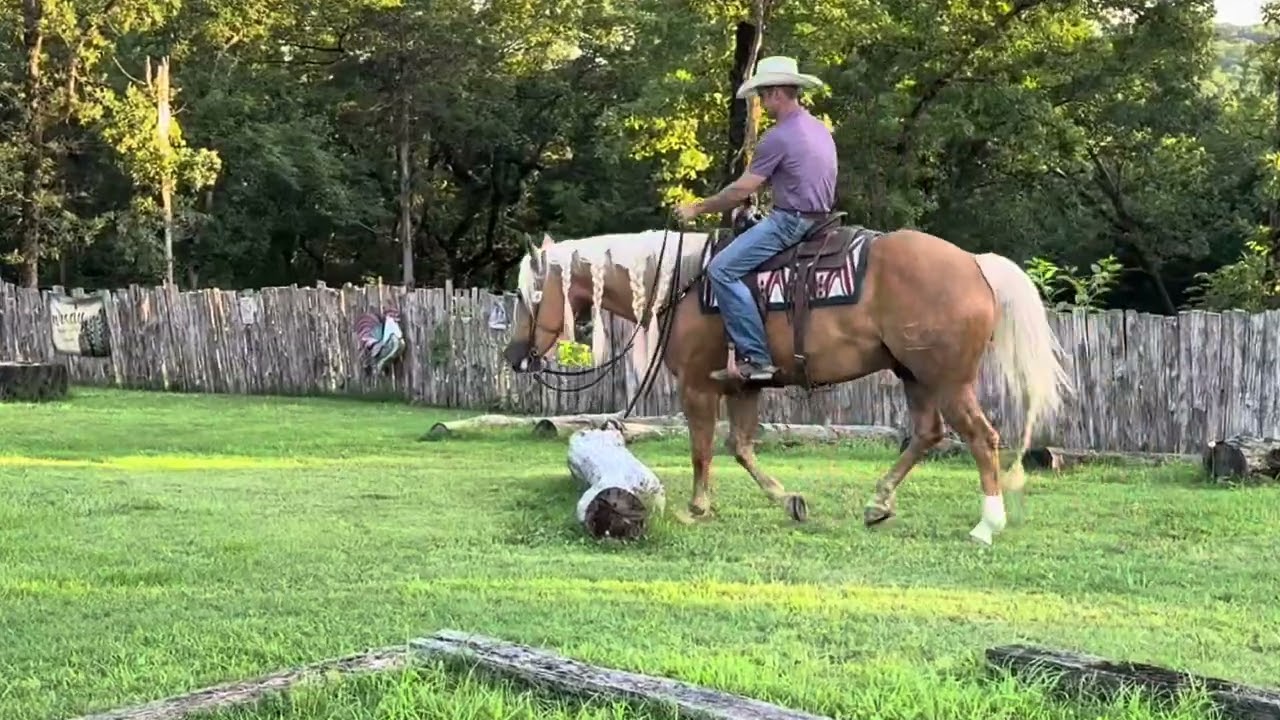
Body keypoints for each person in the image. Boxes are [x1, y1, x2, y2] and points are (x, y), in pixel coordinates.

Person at [676, 56, 838, 382]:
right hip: (823, 218)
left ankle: (756, 358)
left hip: (791, 223)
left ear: (778, 93)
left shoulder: (778, 136)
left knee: (721, 269)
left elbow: (740, 189)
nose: (762, 103)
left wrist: (696, 208)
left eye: (763, 95)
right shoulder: (818, 128)